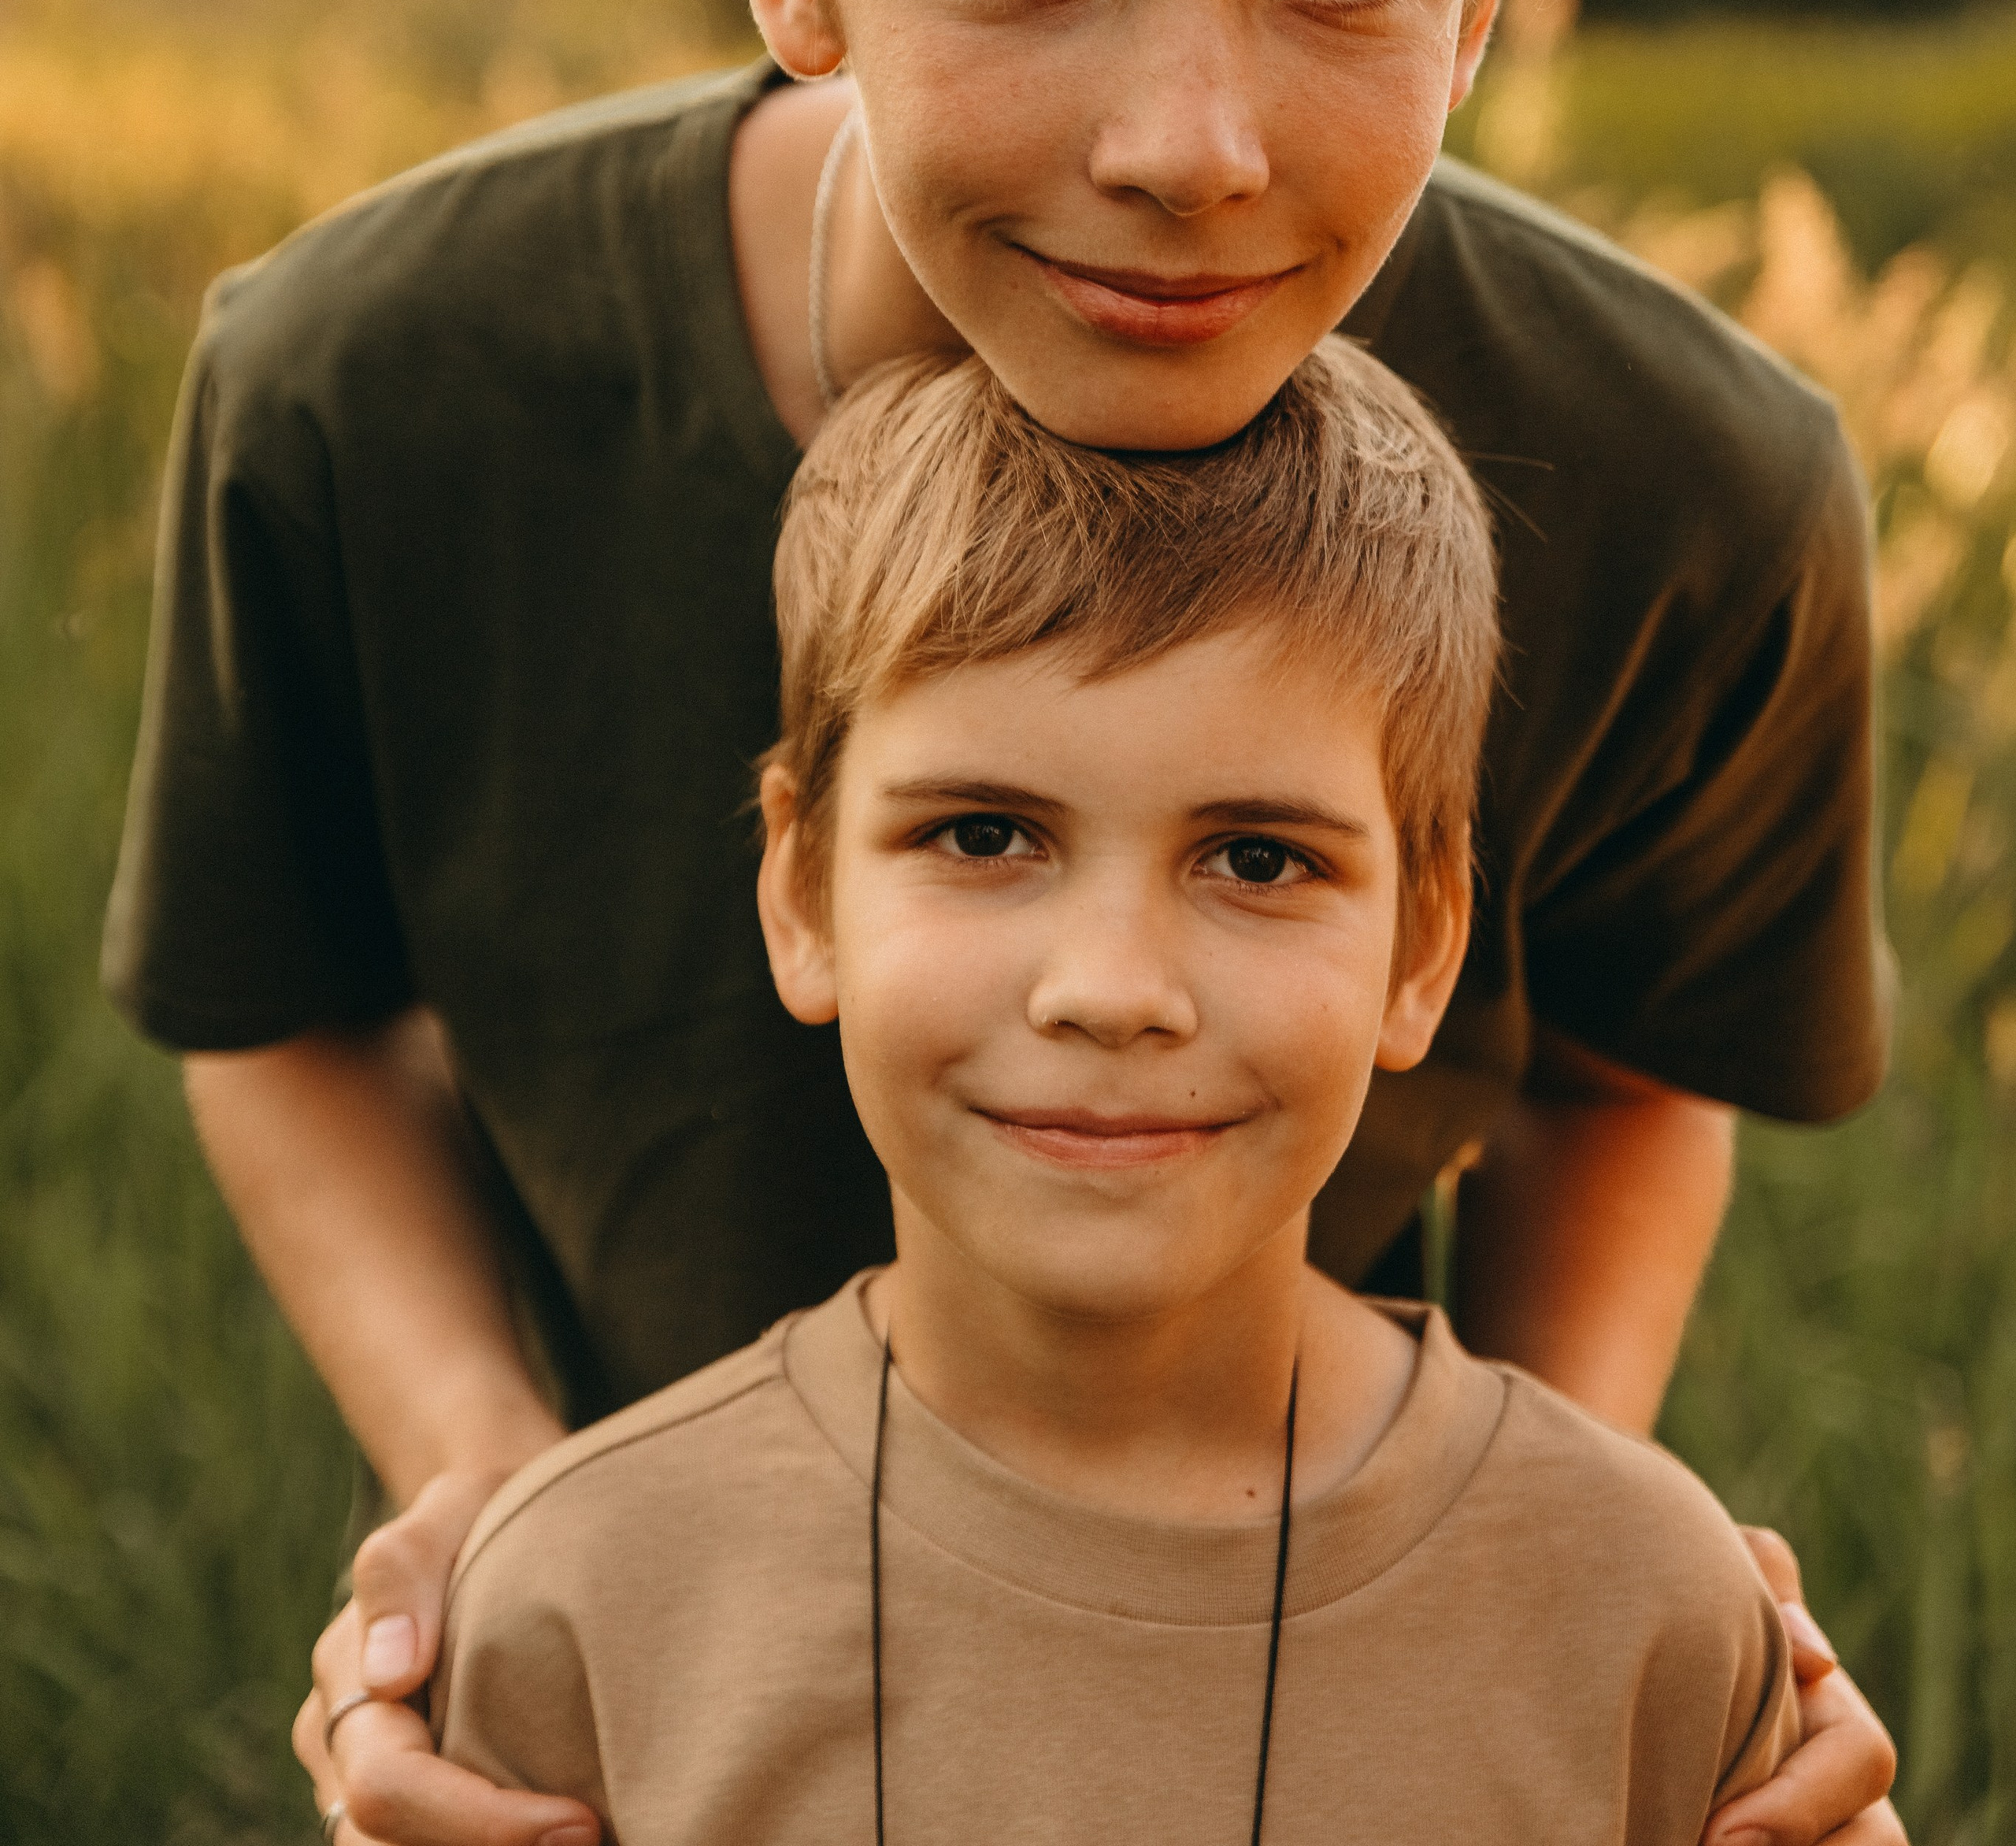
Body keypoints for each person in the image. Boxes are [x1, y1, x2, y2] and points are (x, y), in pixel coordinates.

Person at [103, 0, 1900, 1844]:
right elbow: (281, 1002)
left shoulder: (1697, 490)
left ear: (1492, 0)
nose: (1188, 142)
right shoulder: (369, 388)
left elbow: (1641, 1067)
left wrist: (1542, 1566)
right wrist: (474, 1477)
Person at [430, 339, 1799, 1844]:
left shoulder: (1651, 1614)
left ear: (1424, 947)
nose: (1110, 987)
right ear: (803, 889)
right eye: (982, 835)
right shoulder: (579, 1605)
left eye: (1258, 859)